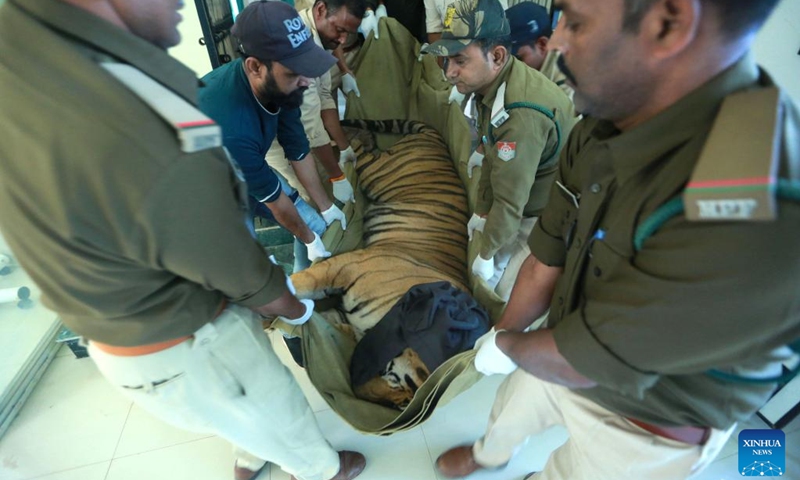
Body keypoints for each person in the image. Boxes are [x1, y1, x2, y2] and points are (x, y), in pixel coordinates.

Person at [0, 1, 367, 480]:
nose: (178, 2)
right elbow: (224, 250)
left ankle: (250, 454)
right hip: (183, 331)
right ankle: (320, 468)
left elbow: (292, 142)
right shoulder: (130, 105)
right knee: (272, 398)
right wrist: (291, 305)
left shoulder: (50, 57)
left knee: (232, 404)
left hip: (137, 320)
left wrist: (326, 204)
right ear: (256, 67)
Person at [435, 0, 800, 479]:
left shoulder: (754, 213)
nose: (558, 40)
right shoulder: (608, 119)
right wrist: (504, 334)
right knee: (511, 408)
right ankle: (489, 453)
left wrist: (506, 347)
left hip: (647, 427)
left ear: (669, 23)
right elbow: (547, 255)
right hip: (561, 345)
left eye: (577, 21)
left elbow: (581, 361)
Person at [422, 0, 577, 300]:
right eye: (446, 61)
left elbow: (510, 201)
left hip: (543, 211)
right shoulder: (494, 85)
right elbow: (493, 157)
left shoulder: (520, 112)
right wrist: (481, 210)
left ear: (496, 56)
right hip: (524, 194)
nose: (449, 73)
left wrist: (488, 251)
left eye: (460, 61)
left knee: (500, 294)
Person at [199, 1, 349, 271]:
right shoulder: (233, 129)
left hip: (241, 164)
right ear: (255, 67)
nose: (306, 81)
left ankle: (307, 281)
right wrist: (309, 238)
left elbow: (297, 149)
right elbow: (274, 201)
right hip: (201, 186)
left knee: (312, 222)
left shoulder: (282, 87)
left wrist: (325, 206)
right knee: (246, 267)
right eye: (294, 72)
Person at [265, 0, 367, 205]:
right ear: (320, 10)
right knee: (313, 197)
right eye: (339, 30)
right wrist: (337, 176)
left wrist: (344, 147)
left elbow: (324, 94)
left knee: (326, 185)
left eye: (348, 33)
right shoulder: (296, 44)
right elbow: (312, 126)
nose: (342, 40)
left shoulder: (320, 36)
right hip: (275, 138)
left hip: (298, 127)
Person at [506, 2, 573, 99]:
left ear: (542, 45)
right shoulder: (531, 68)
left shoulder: (567, 82)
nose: (512, 67)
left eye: (519, 58)